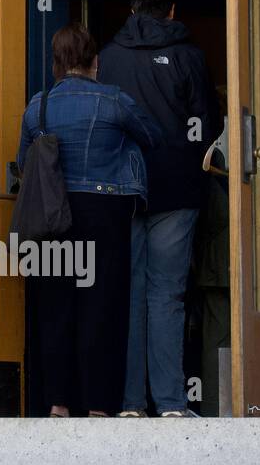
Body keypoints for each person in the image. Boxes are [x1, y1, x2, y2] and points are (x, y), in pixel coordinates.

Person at [19, 22, 161, 417]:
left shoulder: (38, 106)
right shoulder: (114, 100)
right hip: (104, 213)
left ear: (57, 63)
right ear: (95, 61)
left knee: (55, 309)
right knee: (102, 308)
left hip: (51, 217)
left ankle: (58, 403)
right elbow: (152, 137)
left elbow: (21, 163)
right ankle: (99, 405)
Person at [97, 0, 219, 418]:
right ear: (172, 10)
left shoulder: (109, 56)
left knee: (129, 295)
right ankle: (170, 402)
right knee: (166, 295)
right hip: (178, 188)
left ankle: (130, 403)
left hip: (125, 188)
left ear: (132, 10)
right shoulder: (189, 55)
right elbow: (202, 123)